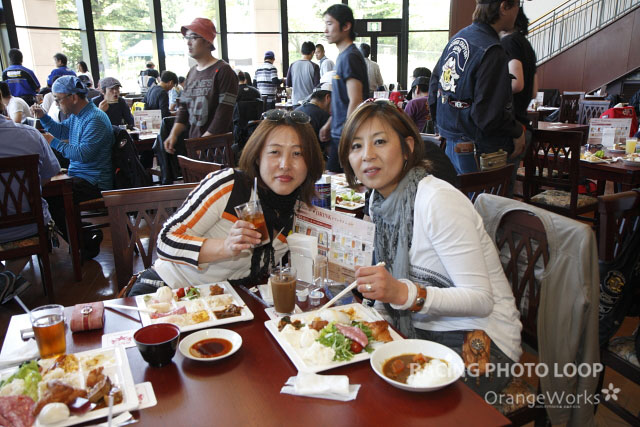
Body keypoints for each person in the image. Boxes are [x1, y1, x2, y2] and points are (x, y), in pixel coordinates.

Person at [338, 100, 522, 395]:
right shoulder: (378, 202)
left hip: (484, 340)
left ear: (408, 147)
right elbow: (386, 282)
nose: (367, 155)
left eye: (380, 141)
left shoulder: (437, 200)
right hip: (422, 330)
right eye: (356, 146)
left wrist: (403, 293)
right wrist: (375, 317)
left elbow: (481, 300)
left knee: (401, 401)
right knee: (354, 374)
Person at [127, 109, 324, 296]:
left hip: (233, 299)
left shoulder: (302, 207)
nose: (285, 165)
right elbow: (166, 240)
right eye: (275, 152)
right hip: (169, 289)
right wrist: (226, 247)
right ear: (258, 156)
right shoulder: (230, 186)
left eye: (297, 153)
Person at [428, 0, 525, 174]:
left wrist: (441, 127)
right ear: (504, 7)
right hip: (478, 148)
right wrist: (517, 131)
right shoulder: (492, 50)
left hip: (451, 142)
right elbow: (487, 116)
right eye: (518, 5)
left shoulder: (458, 38)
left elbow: (435, 86)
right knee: (485, 193)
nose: (518, 11)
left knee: (458, 192)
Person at [30, 76, 113, 258]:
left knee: (50, 199)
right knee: (46, 194)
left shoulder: (95, 119)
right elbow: (61, 131)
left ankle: (84, 240)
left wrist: (52, 142)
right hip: (80, 177)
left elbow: (83, 154)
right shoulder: (79, 116)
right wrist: (43, 117)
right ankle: (83, 237)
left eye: (58, 99)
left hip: (94, 181)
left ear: (73, 97)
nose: (57, 103)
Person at [163, 18, 238, 156]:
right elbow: (183, 109)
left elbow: (224, 114)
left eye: (193, 37)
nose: (188, 42)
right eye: (187, 38)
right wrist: (173, 134)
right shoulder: (192, 72)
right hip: (195, 144)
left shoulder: (223, 71)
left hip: (218, 149)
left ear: (207, 41)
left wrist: (202, 144)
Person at [320, 4, 369, 172]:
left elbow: (356, 100)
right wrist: (329, 124)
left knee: (337, 180)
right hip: (340, 132)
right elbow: (343, 100)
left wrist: (347, 135)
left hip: (346, 135)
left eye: (330, 24)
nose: (326, 30)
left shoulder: (350, 57)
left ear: (346, 26)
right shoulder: (343, 56)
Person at [500, 8, 537, 196]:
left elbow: (517, 83)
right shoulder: (526, 46)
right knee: (507, 190)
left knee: (498, 193)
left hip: (510, 127)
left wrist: (491, 91)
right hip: (523, 124)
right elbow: (534, 91)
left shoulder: (508, 42)